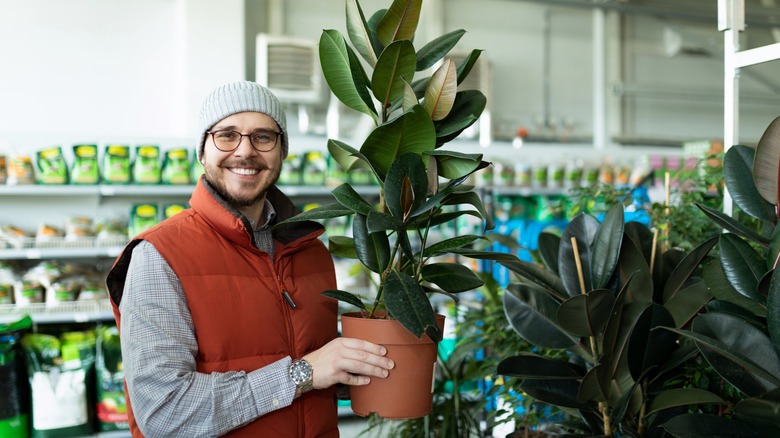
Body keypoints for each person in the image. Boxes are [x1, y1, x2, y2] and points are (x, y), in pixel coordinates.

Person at [106, 80, 395, 438]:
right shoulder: (160, 256)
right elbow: (166, 414)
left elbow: (312, 365)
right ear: (202, 150)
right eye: (227, 135)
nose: (245, 151)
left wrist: (363, 368)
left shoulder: (311, 251)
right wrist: (301, 374)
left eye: (263, 136)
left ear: (282, 151)